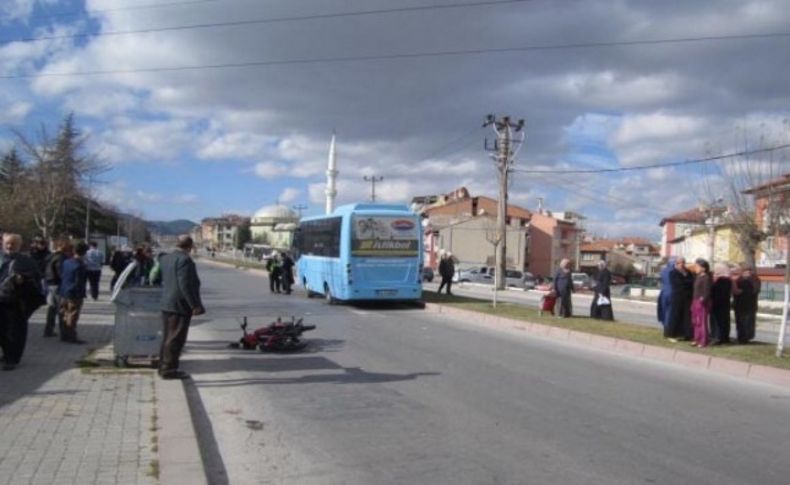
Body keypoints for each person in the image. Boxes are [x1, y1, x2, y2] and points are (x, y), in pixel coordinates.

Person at [158, 235, 204, 380]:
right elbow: (185, 285)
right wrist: (195, 305)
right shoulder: (185, 260)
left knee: (167, 337)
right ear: (189, 247)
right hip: (179, 304)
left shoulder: (165, 258)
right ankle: (169, 370)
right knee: (176, 338)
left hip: (167, 302)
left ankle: (163, 365)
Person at [0, 234, 44, 370]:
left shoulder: (26, 261)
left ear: (19, 245)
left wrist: (23, 279)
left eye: (13, 244)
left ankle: (12, 358)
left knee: (14, 332)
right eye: (7, 243)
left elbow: (36, 280)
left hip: (15, 302)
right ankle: (6, 353)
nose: (9, 246)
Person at [59, 241, 89, 344]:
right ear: (84, 253)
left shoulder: (66, 262)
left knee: (64, 313)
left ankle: (64, 334)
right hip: (75, 294)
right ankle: (72, 336)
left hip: (63, 291)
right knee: (72, 315)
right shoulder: (80, 266)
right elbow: (79, 282)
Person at [43, 239, 72, 337]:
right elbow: (60, 272)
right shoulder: (61, 258)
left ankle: (48, 330)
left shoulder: (51, 256)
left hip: (50, 283)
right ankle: (64, 332)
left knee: (52, 308)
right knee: (61, 308)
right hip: (57, 284)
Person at [665, 256, 694, 341]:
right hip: (677, 297)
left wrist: (687, 282)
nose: (682, 264)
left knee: (687, 316)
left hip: (687, 297)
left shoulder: (688, 272)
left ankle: (686, 334)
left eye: (683, 262)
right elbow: (679, 284)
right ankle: (671, 334)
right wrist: (687, 282)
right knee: (675, 315)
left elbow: (692, 281)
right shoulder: (673, 273)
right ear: (676, 263)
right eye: (680, 263)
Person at [733, 265, 759, 344]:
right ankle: (741, 337)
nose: (747, 273)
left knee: (747, 323)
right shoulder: (739, 280)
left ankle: (746, 338)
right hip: (740, 304)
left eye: (749, 271)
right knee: (740, 322)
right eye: (745, 271)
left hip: (748, 305)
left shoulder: (754, 280)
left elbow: (755, 290)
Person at [710, 262, 733, 345]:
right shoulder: (728, 280)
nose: (714, 272)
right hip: (725, 303)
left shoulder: (722, 280)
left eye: (716, 270)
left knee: (718, 321)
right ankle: (724, 337)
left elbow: (717, 292)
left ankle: (717, 337)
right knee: (725, 321)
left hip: (718, 303)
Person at [690, 259, 712, 348]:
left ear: (703, 268)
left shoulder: (706, 278)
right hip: (695, 301)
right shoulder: (698, 277)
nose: (695, 268)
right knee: (696, 321)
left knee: (702, 321)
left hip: (702, 302)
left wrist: (702, 300)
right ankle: (697, 338)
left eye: (697, 266)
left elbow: (707, 291)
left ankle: (703, 341)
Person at [656, 258, 675, 332]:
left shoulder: (663, 271)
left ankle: (665, 327)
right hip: (672, 293)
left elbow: (662, 280)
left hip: (663, 293)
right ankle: (668, 330)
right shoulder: (674, 271)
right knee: (670, 312)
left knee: (664, 310)